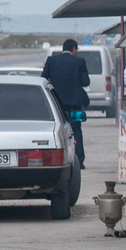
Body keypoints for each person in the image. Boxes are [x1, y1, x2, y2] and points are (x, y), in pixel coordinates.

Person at [41, 38, 92, 166]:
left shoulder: (51, 61)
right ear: (74, 49)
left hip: (56, 104)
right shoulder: (79, 61)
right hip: (74, 104)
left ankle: (60, 160)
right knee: (76, 130)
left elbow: (43, 79)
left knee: (57, 130)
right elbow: (86, 82)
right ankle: (78, 160)